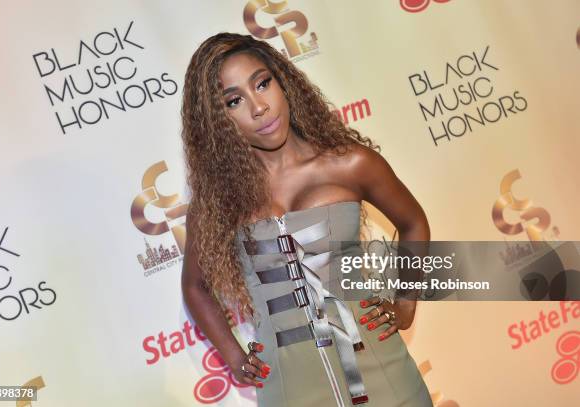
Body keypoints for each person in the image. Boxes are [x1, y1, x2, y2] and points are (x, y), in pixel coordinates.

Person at [181, 32, 432, 406]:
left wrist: (407, 302)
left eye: (262, 83)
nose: (259, 107)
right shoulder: (216, 203)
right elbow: (195, 288)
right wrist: (235, 358)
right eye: (234, 101)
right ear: (218, 121)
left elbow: (413, 222)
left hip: (385, 372)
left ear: (284, 82)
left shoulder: (350, 164)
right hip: (290, 386)